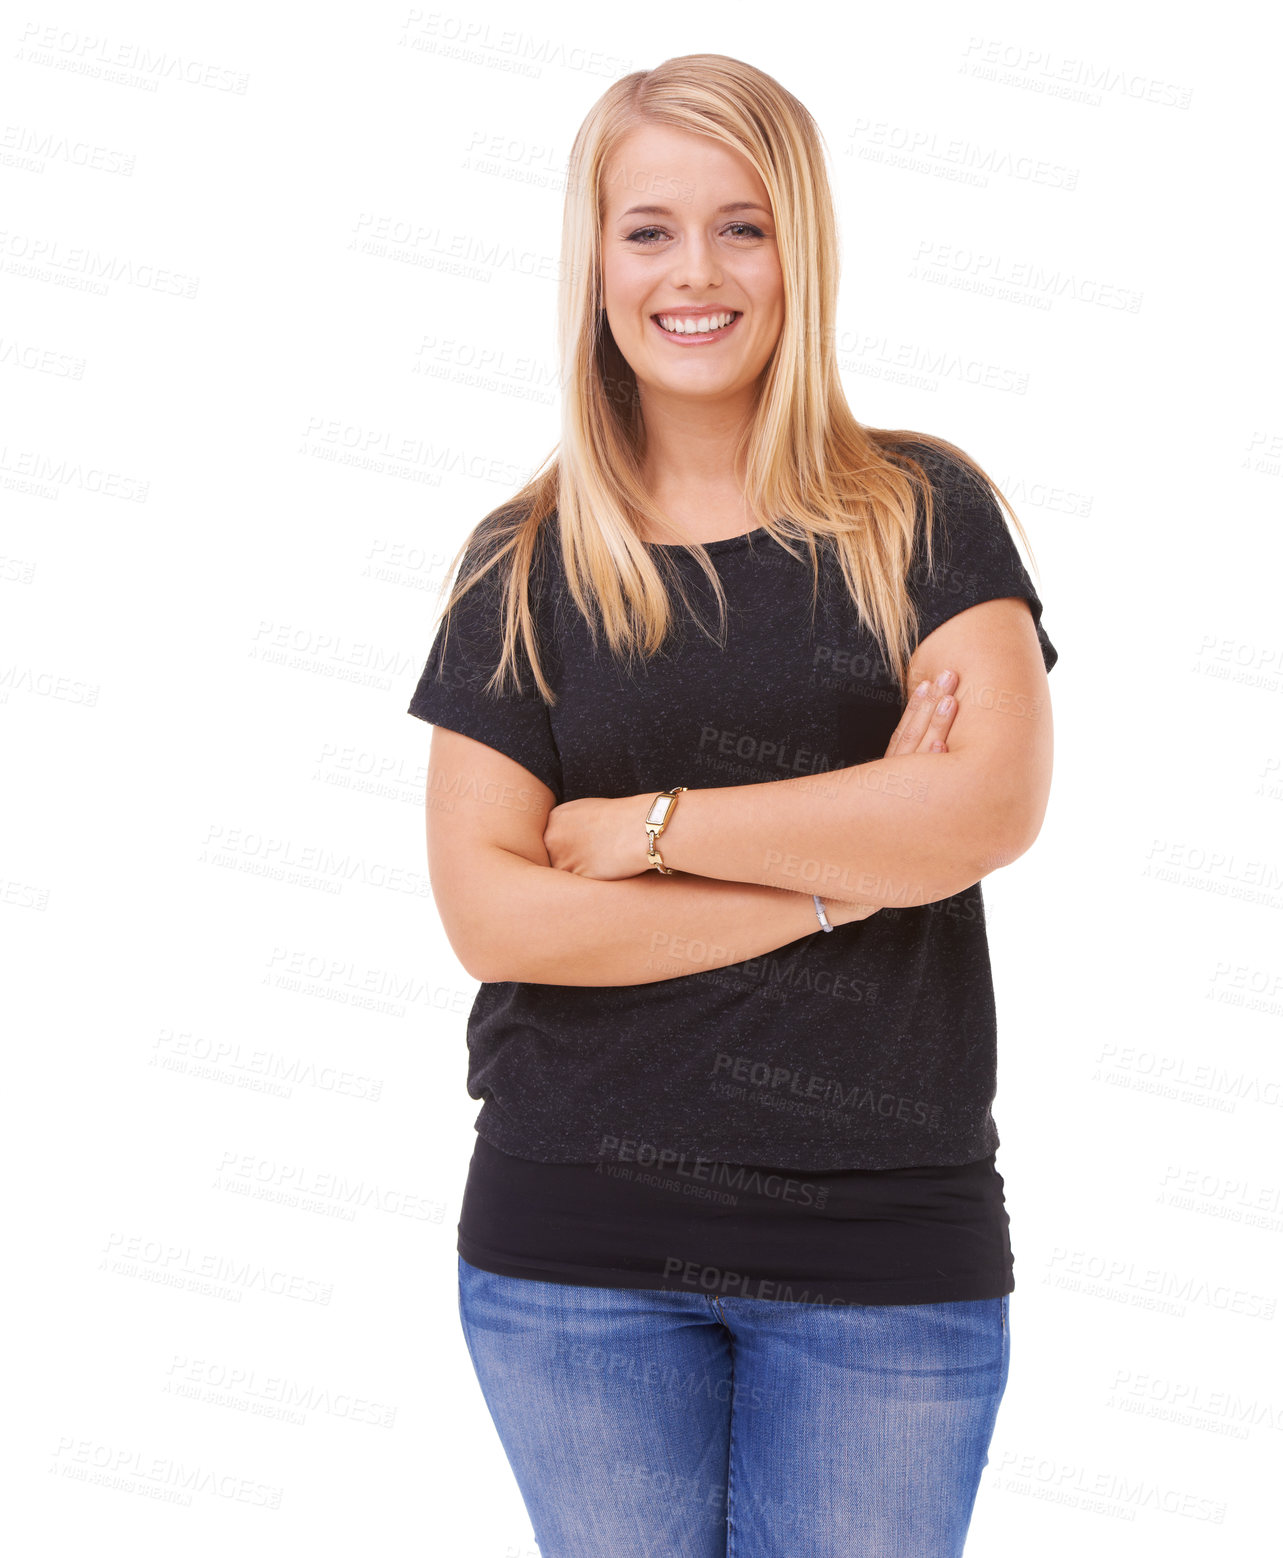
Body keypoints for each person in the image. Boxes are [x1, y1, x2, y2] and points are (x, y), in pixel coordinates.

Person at [407, 53, 1057, 1558]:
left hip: (885, 1247)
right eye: (649, 229)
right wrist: (848, 867)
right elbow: (495, 911)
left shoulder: (923, 511)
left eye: (741, 225)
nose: (694, 271)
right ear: (596, 261)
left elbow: (990, 808)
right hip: (576, 1243)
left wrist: (647, 828)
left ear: (800, 251)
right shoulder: (524, 558)